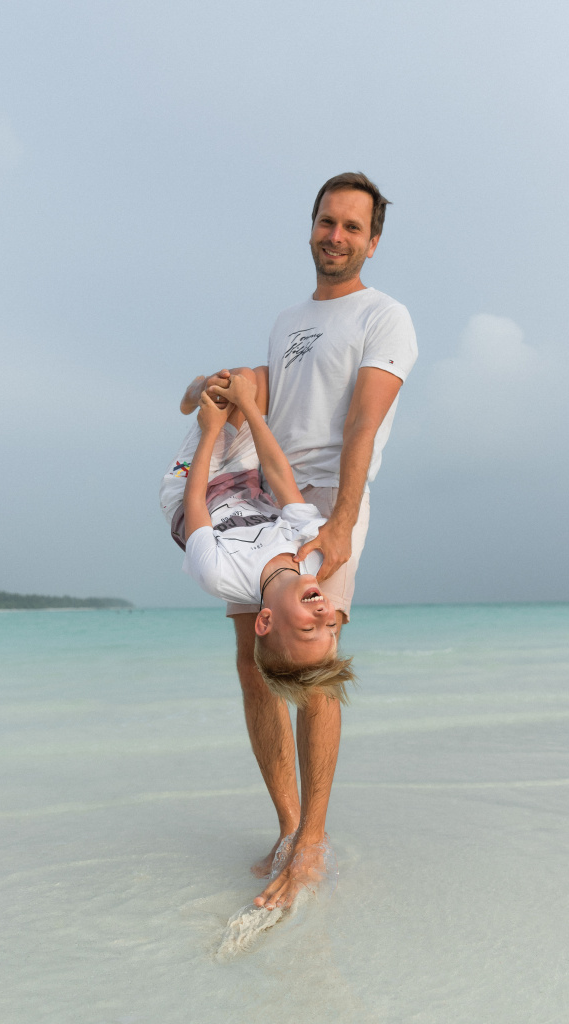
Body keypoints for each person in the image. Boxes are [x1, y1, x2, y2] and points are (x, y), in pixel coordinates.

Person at [181, 172, 418, 911]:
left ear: (372, 242)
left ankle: (313, 843)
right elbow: (266, 403)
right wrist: (215, 389)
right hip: (264, 497)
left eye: (352, 227)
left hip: (325, 502)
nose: (335, 236)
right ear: (311, 227)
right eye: (326, 222)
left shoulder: (385, 317)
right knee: (255, 664)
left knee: (315, 669)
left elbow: (362, 424)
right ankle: (288, 827)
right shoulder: (288, 321)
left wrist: (342, 519)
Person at [159, 369, 354, 703]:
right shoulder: (313, 555)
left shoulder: (219, 575)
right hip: (243, 482)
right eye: (331, 629)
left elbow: (194, 505)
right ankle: (211, 395)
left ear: (265, 620)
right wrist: (249, 407)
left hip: (192, 488)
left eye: (309, 628)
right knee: (250, 382)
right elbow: (280, 479)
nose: (324, 615)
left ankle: (193, 395)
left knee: (225, 388)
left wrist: (211, 431)